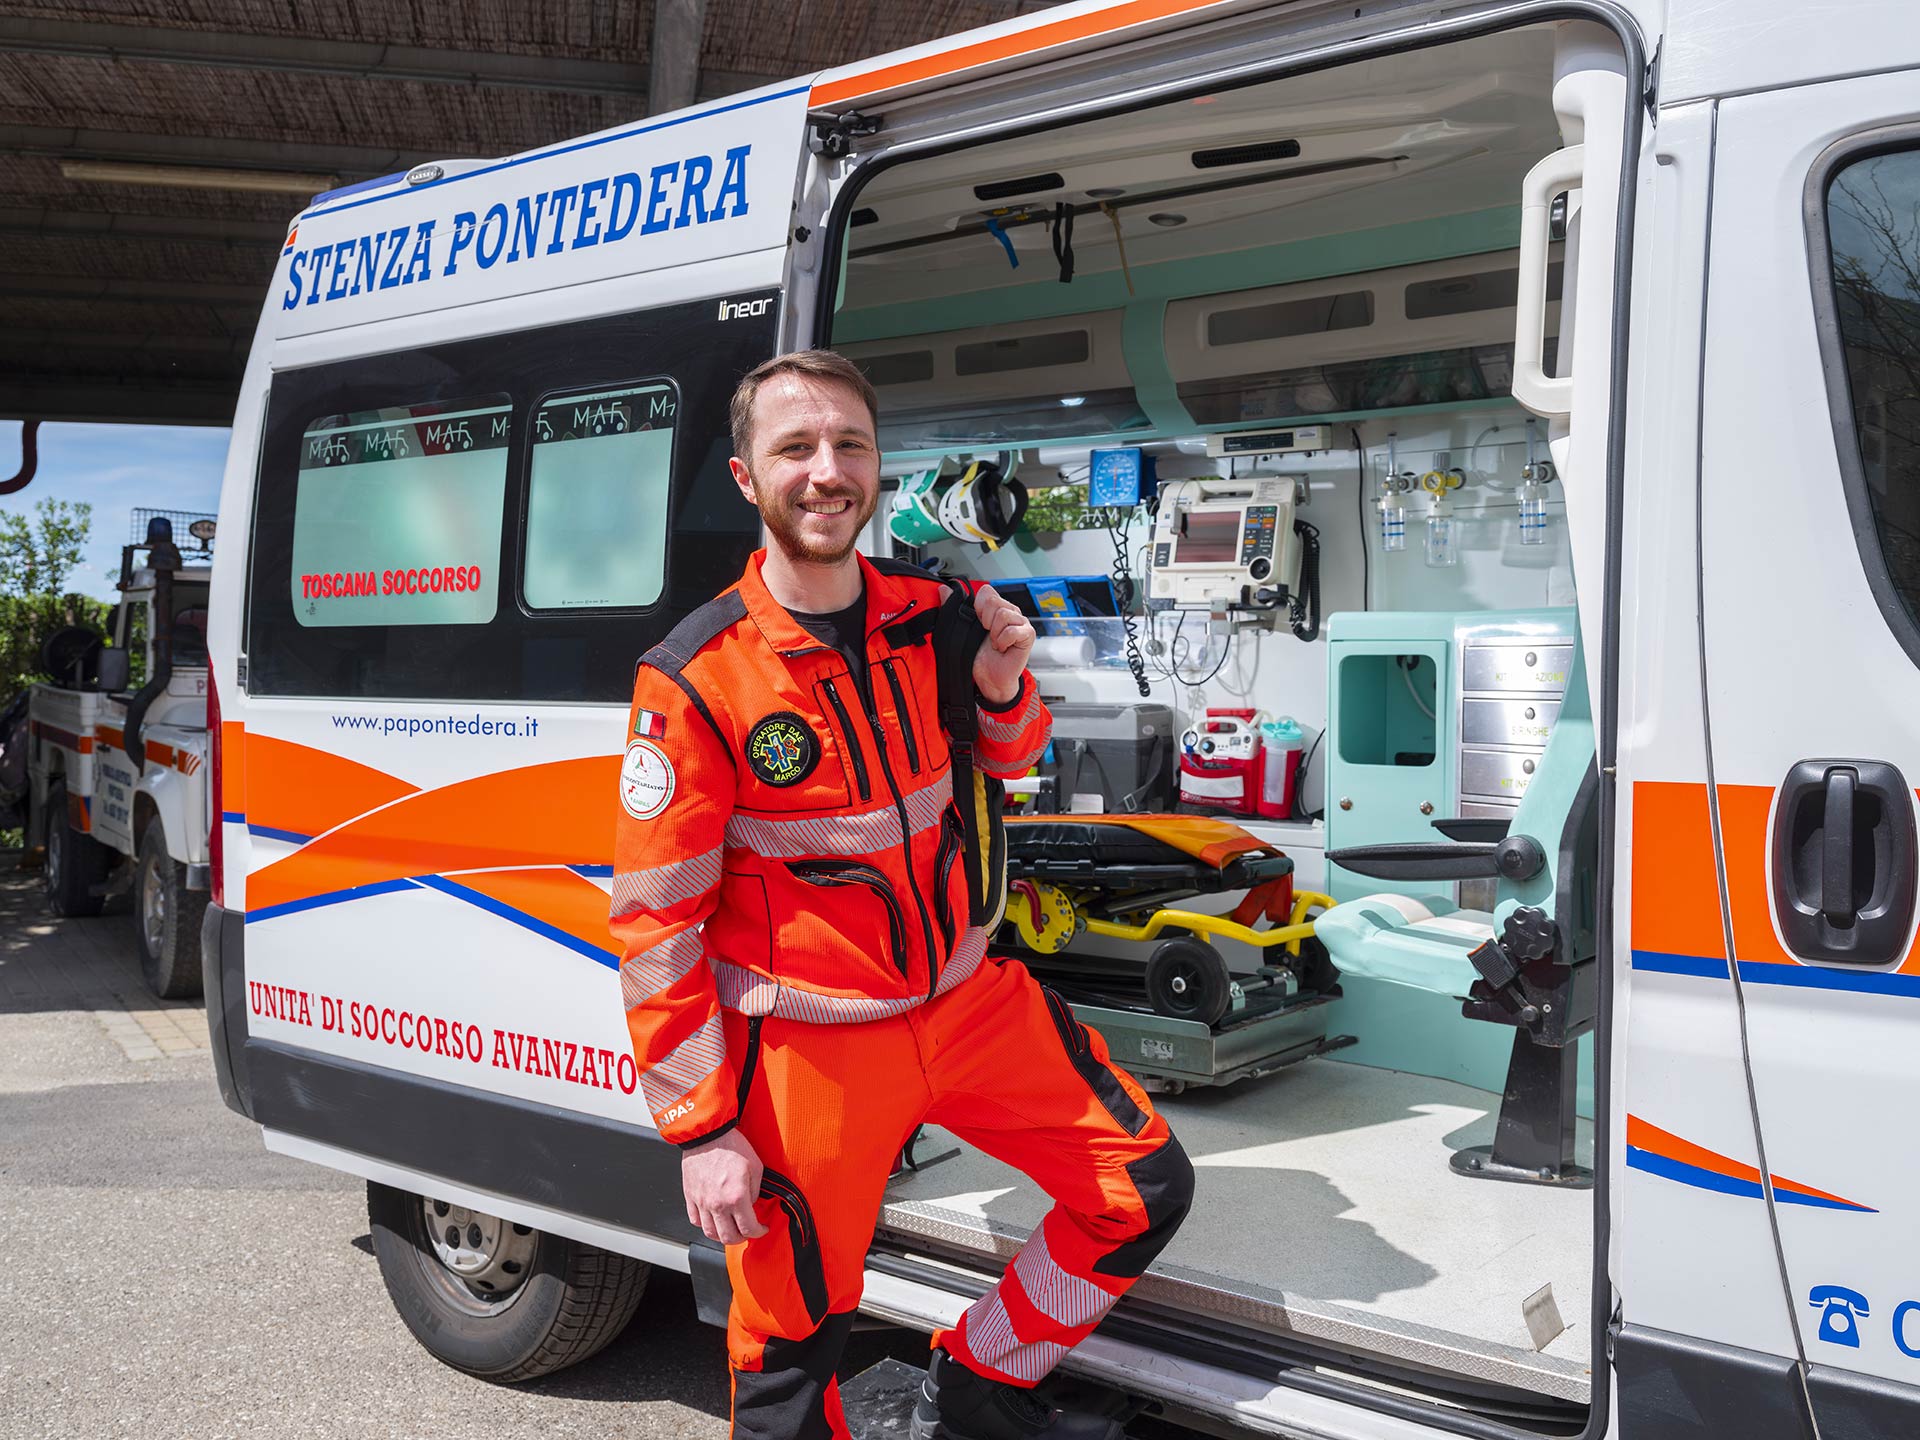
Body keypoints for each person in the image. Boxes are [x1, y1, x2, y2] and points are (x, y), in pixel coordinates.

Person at [611, 350, 1193, 1440]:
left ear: (877, 466)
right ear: (748, 478)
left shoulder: (939, 618)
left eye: (849, 446)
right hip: (810, 1051)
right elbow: (655, 924)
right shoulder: (696, 680)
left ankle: (985, 1376)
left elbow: (1009, 757)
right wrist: (702, 1128)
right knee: (791, 1356)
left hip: (969, 1006)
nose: (825, 472)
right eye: (795, 449)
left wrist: (1006, 685)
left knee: (1141, 1190)